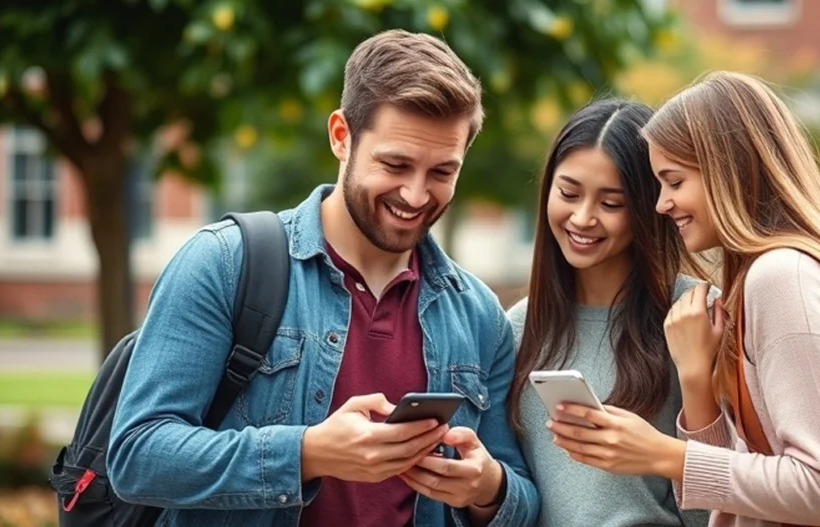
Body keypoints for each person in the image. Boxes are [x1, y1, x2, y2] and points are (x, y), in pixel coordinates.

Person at [107, 29, 539, 527]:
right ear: (341, 136)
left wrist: (488, 489)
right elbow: (138, 456)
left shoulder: (479, 314)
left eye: (442, 172)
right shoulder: (223, 263)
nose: (417, 195)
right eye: (395, 164)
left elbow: (522, 498)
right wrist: (307, 453)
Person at [543, 71, 820, 526]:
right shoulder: (759, 279)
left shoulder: (784, 278)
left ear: (726, 172)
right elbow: (730, 495)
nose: (661, 204)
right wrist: (695, 379)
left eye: (673, 181)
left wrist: (663, 453)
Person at [506, 99, 713, 526]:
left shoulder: (697, 314)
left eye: (611, 204)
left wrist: (696, 382)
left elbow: (718, 511)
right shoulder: (518, 328)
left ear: (647, 208)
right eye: (568, 193)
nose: (583, 218)